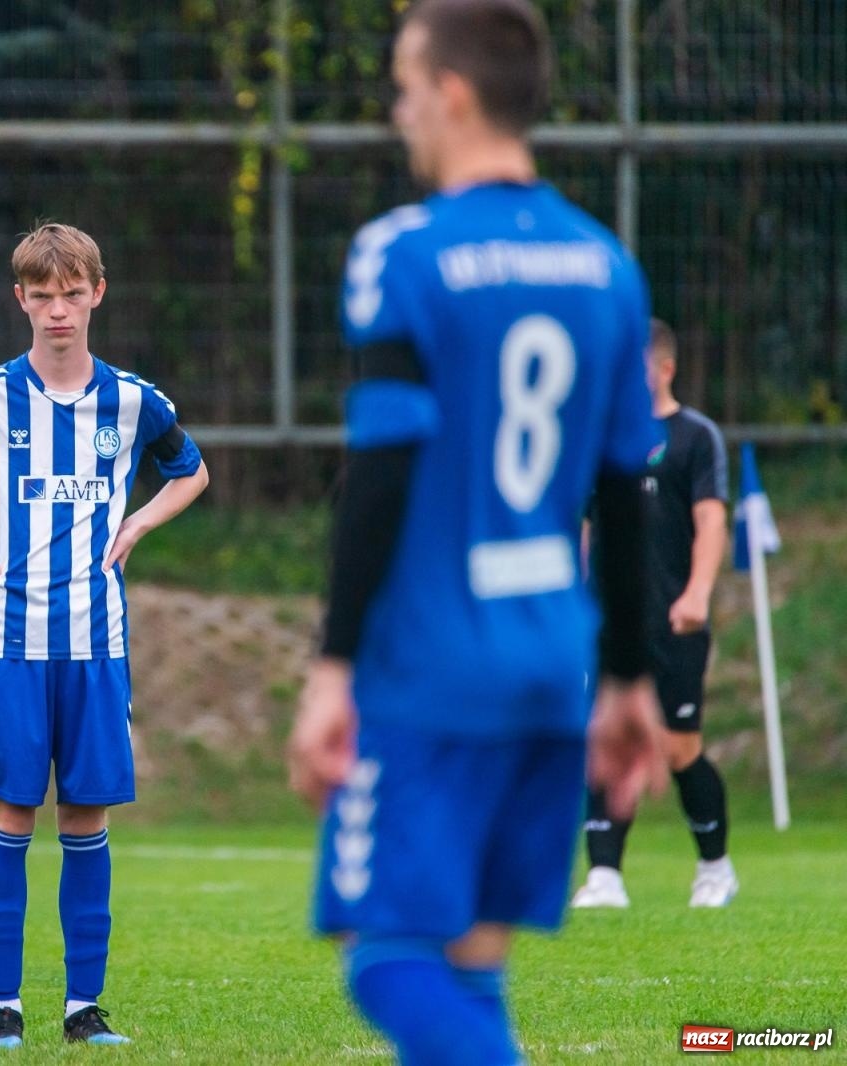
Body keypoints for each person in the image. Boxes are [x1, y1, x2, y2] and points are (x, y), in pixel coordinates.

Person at [285, 2, 668, 1062]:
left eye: (405, 87)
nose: (398, 111)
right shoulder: (605, 265)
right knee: (472, 963)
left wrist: (332, 668)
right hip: (549, 661)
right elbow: (624, 492)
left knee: (387, 961)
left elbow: (378, 476)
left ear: (452, 93)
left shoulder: (402, 254)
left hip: (431, 667)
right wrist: (628, 680)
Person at [0, 223, 208, 1048]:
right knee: (12, 815)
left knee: (86, 823)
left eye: (72, 293)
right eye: (42, 295)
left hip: (98, 644)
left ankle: (83, 1011)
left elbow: (192, 471)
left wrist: (138, 522)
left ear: (97, 293)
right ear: (20, 299)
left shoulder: (132, 401)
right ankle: (3, 1010)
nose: (59, 310)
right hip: (9, 641)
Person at [572, 319, 736, 909]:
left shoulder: (696, 437)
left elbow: (711, 521)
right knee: (601, 735)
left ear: (663, 368)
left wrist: (697, 592)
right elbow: (590, 527)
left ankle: (715, 868)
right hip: (610, 623)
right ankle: (605, 876)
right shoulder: (605, 441)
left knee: (678, 746)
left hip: (674, 620)